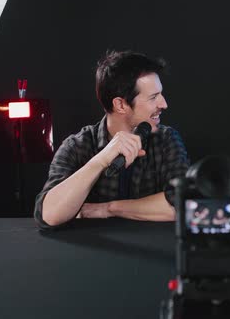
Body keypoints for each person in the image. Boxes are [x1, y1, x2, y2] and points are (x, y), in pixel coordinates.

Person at [34, 50, 189, 229]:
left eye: (160, 94)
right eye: (153, 97)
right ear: (121, 104)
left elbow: (182, 205)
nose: (164, 104)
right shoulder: (77, 146)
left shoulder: (166, 140)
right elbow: (48, 215)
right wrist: (100, 161)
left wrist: (108, 209)